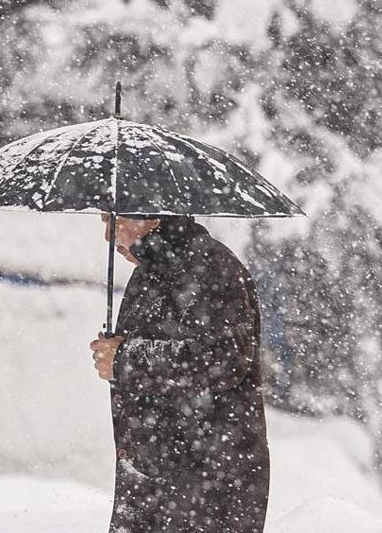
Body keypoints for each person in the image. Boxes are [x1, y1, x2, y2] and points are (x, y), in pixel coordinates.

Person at [90, 214, 270, 532]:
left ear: (153, 216)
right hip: (155, 482)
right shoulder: (151, 274)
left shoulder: (209, 265)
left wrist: (124, 359)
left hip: (206, 488)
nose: (108, 236)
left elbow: (222, 358)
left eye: (114, 222)